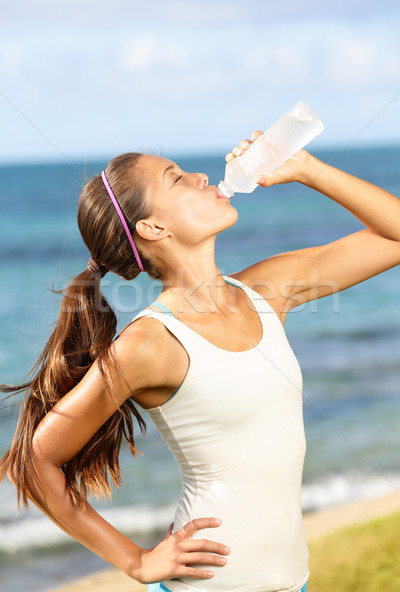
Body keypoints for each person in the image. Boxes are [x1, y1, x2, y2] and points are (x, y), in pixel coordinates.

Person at [1, 130, 400, 592]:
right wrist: (136, 561)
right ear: (153, 228)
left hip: (295, 581)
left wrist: (308, 170)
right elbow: (34, 461)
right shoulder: (151, 342)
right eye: (177, 179)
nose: (201, 176)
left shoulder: (266, 291)